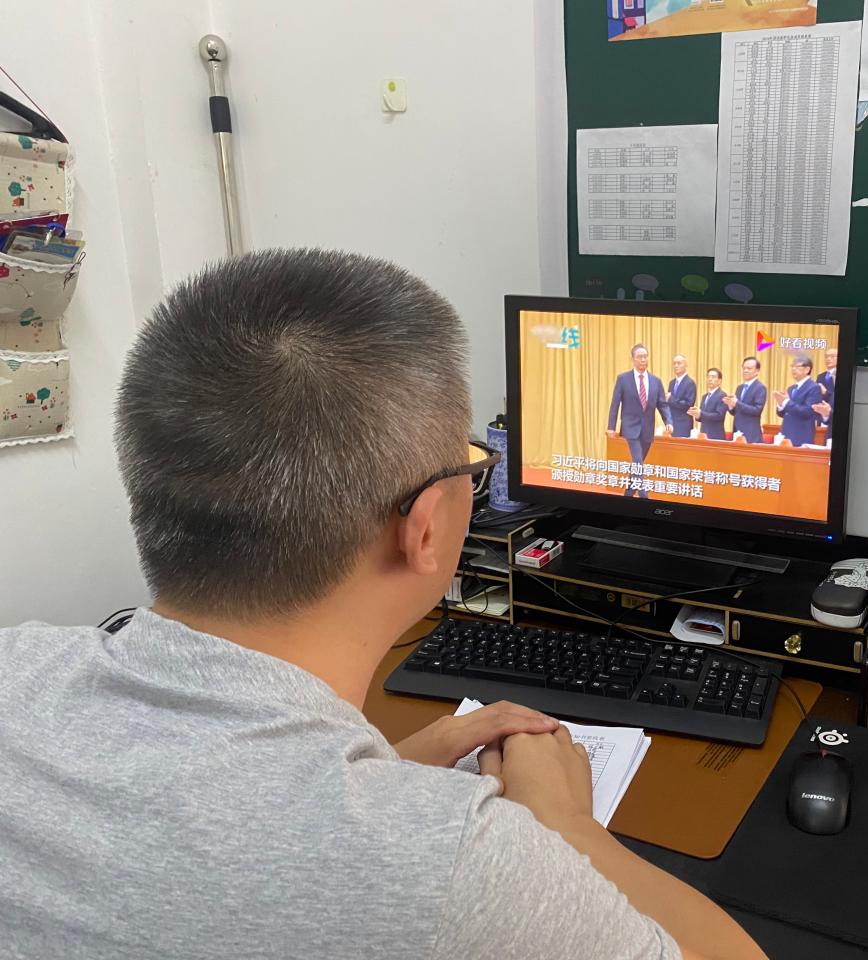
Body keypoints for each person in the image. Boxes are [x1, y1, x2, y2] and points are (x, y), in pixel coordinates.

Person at [0, 250, 765, 960]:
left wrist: (383, 767)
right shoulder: (455, 870)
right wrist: (563, 826)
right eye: (472, 463)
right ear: (424, 527)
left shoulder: (14, 667)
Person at [607, 343, 671, 498]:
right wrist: (611, 426)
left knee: (638, 463)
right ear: (633, 359)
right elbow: (615, 404)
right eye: (640, 357)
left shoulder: (656, 381)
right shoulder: (623, 379)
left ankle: (628, 494)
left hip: (647, 429)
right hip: (630, 427)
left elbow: (662, 404)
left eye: (645, 356)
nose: (643, 360)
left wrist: (668, 421)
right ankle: (644, 497)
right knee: (638, 461)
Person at [773, 356, 825, 446]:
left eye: (797, 366)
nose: (793, 369)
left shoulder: (814, 387)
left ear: (807, 369)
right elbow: (783, 414)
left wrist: (786, 402)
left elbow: (808, 411)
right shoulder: (791, 388)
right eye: (792, 366)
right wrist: (780, 405)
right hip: (786, 434)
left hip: (801, 436)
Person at [723, 356, 767, 444]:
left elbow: (757, 410)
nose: (745, 371)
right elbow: (735, 412)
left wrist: (737, 403)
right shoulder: (740, 388)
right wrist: (731, 406)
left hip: (751, 434)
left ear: (757, 371)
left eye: (749, 369)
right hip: (737, 432)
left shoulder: (760, 388)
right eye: (744, 368)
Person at [690, 367, 729, 441]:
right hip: (703, 435)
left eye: (713, 377)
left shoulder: (722, 395)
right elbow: (702, 417)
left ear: (719, 380)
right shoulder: (704, 396)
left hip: (716, 436)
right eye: (708, 377)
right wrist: (697, 415)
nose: (710, 379)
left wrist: (701, 413)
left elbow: (719, 416)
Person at [667, 354, 697, 438]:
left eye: (679, 363)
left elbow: (688, 404)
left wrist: (670, 399)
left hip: (683, 424)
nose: (676, 366)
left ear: (686, 365)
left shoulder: (690, 383)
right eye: (674, 363)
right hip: (671, 423)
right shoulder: (672, 383)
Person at [817, 346, 837, 426]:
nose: (828, 359)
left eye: (832, 356)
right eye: (826, 356)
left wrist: (826, 392)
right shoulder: (821, 376)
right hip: (821, 417)